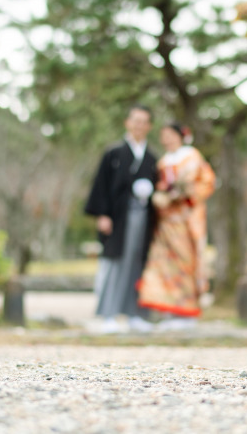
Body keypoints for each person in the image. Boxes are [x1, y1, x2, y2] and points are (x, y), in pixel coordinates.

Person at [85, 105, 158, 333]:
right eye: (135, 121)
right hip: (118, 218)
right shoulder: (114, 153)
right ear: (128, 123)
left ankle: (135, 314)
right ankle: (108, 314)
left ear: (149, 126)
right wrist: (103, 214)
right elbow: (101, 185)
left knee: (138, 262)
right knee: (115, 263)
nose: (139, 126)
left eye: (144, 122)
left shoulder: (152, 157)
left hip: (143, 217)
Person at [138, 123, 215, 330]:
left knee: (185, 262)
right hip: (166, 221)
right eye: (164, 135)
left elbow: (205, 182)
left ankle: (187, 310)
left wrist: (181, 194)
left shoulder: (191, 156)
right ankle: (170, 310)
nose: (167, 139)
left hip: (185, 219)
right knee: (164, 264)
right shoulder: (163, 161)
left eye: (171, 135)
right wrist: (160, 196)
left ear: (181, 136)